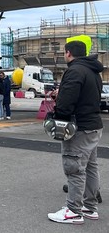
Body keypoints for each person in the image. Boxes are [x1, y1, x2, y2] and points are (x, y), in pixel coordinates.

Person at [47, 38, 103, 224]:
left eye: (64, 52)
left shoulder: (74, 71)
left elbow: (66, 103)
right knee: (91, 167)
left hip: (79, 128)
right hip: (93, 126)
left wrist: (58, 115)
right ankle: (89, 207)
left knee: (75, 169)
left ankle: (73, 211)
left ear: (68, 53)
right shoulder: (94, 71)